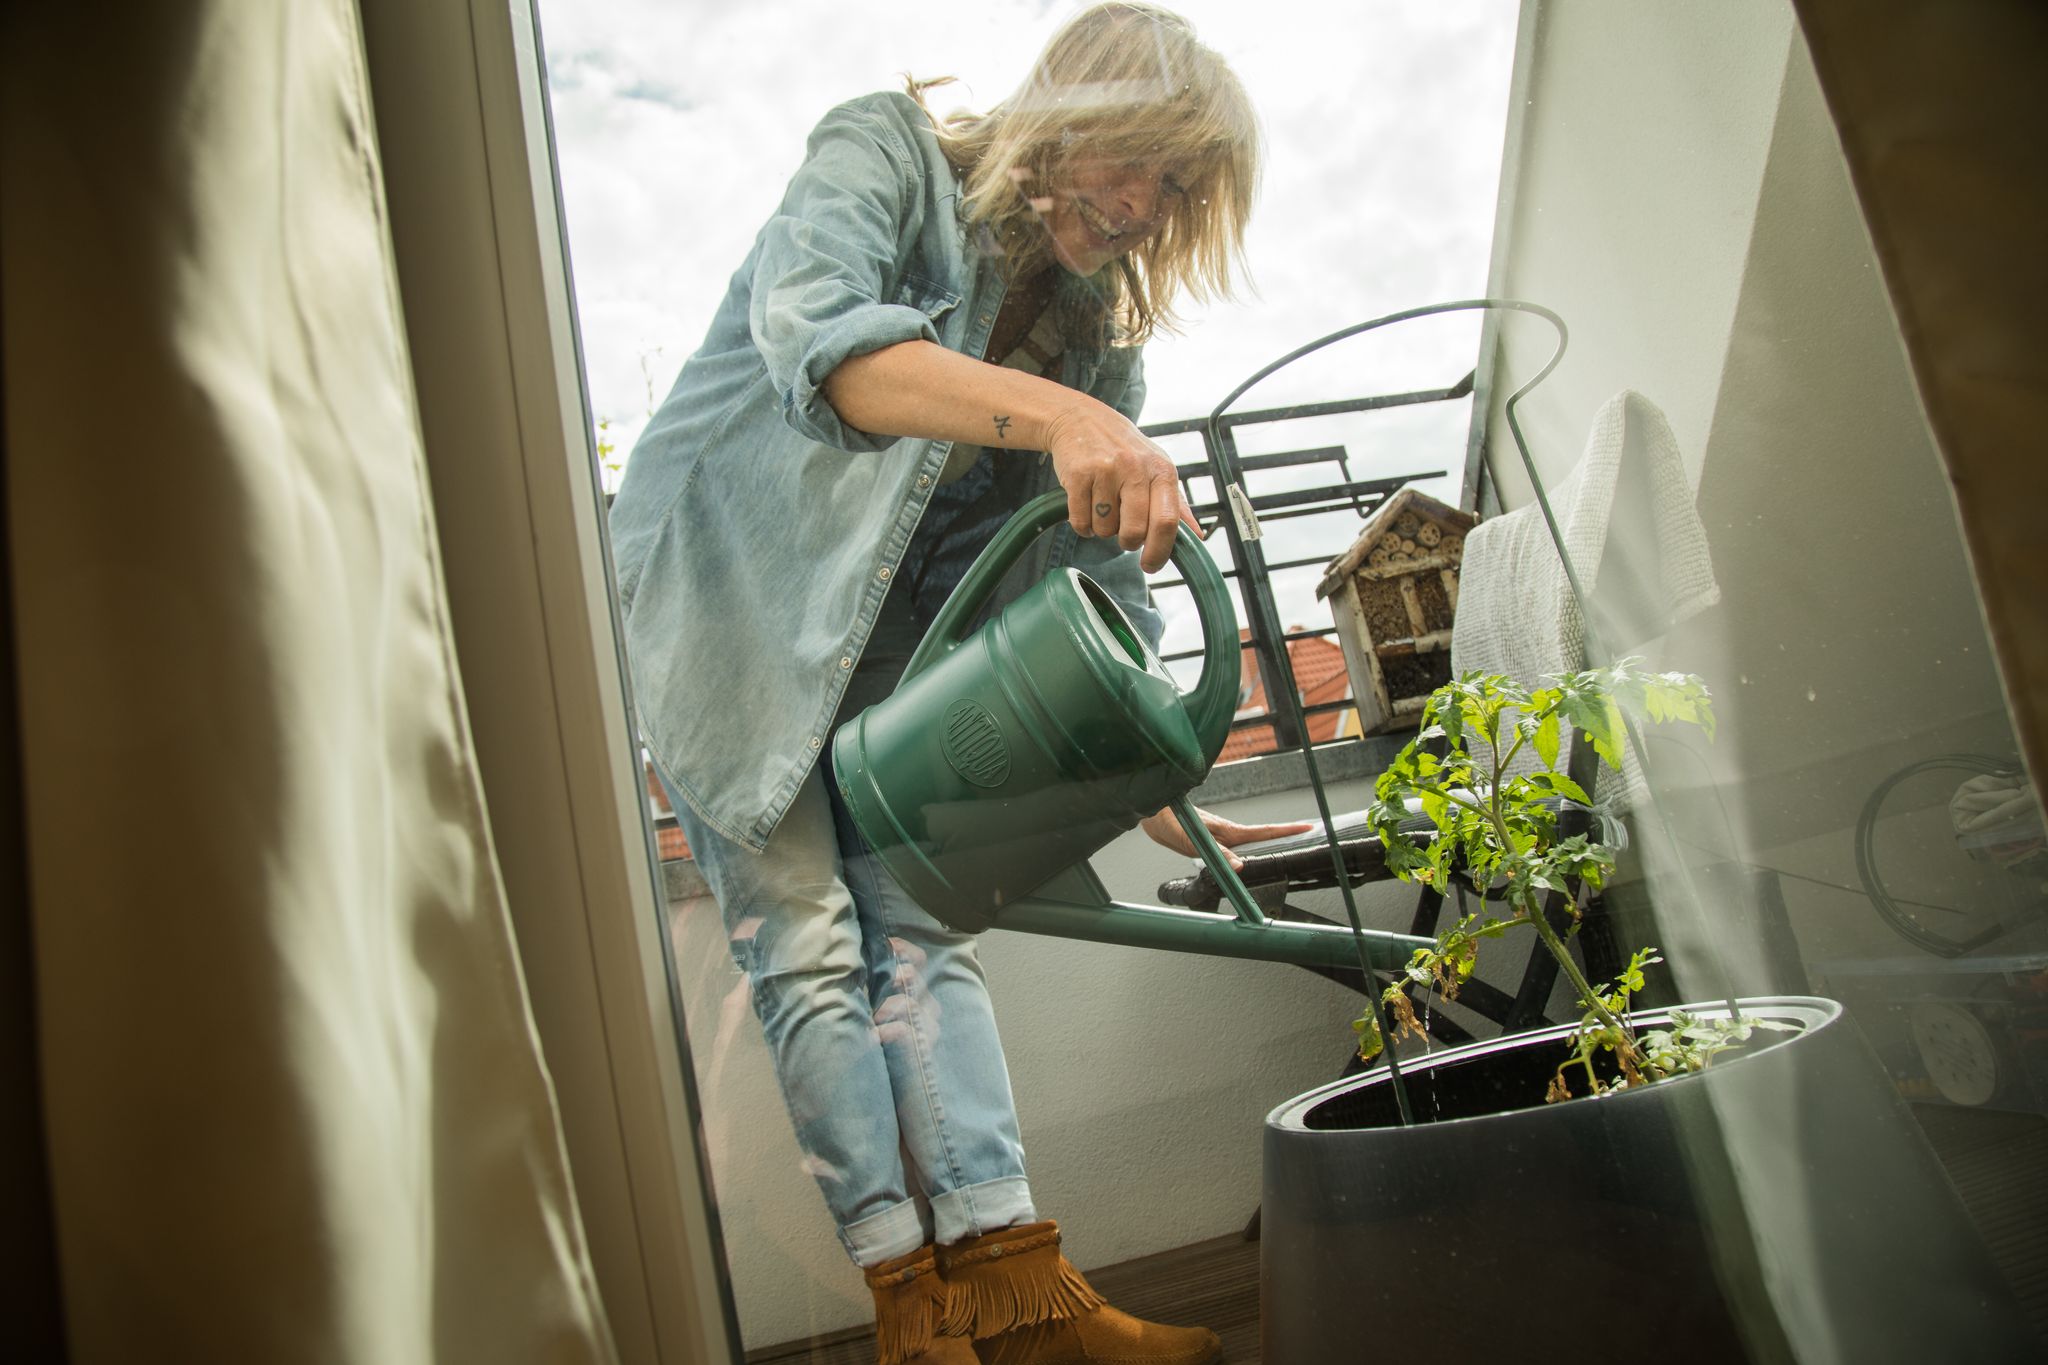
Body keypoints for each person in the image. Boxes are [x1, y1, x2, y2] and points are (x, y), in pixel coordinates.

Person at [609, 7, 1301, 1363]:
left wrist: (1167, 767)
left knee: (925, 933)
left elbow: (1090, 576)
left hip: (891, 647)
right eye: (1137, 159)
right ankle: (914, 1321)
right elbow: (832, 356)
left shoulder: (1096, 338)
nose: (1142, 203)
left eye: (1173, 187)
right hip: (725, 597)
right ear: (1078, 107)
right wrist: (1065, 420)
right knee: (806, 945)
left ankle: (1021, 1298)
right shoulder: (883, 154)